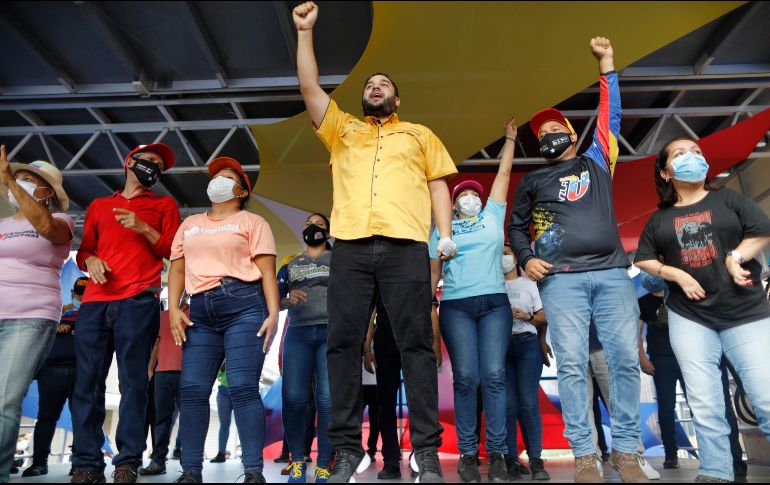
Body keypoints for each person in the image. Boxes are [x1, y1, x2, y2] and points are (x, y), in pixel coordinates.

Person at [293, 2, 458, 482]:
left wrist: (443, 236)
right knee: (342, 344)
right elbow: (308, 87)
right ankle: (345, 450)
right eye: (369, 84)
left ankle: (425, 450)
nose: (374, 86)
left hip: (406, 247)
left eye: (383, 83)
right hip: (351, 248)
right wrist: (306, 33)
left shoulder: (419, 135)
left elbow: (437, 184)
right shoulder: (342, 130)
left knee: (416, 346)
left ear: (397, 99)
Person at [508, 38, 648, 483]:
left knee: (624, 359)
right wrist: (526, 258)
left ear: (572, 135)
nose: (547, 137)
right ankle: (586, 455)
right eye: (541, 134)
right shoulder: (532, 181)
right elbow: (515, 228)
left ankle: (625, 451)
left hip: (610, 272)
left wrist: (606, 66)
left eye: (555, 131)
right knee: (571, 365)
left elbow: (611, 117)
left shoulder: (596, 161)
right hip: (561, 282)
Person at [634, 136, 770, 482]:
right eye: (680, 154)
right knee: (706, 404)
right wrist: (676, 273)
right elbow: (645, 259)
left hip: (745, 312)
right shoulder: (660, 219)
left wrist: (736, 257)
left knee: (766, 397)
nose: (692, 157)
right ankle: (716, 472)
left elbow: (761, 230)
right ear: (666, 173)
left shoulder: (729, 198)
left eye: (696, 151)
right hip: (690, 318)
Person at [69, 143, 179, 483]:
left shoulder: (164, 204)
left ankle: (127, 462)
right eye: (149, 160)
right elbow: (84, 248)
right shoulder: (100, 205)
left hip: (138, 302)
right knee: (86, 384)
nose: (154, 167)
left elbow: (174, 250)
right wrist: (90, 260)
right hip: (94, 304)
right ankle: (86, 463)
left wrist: (143, 227)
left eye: (159, 165)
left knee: (134, 384)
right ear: (129, 162)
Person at [168, 156, 279, 484]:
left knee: (243, 387)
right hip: (199, 310)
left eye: (228, 176)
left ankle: (253, 472)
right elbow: (177, 267)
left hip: (244, 304)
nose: (218, 180)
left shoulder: (253, 222)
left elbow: (267, 272)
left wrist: (273, 313)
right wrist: (174, 307)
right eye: (216, 175)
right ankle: (190, 471)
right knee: (191, 389)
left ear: (242, 191)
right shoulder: (190, 224)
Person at [428, 118, 518, 483]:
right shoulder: (441, 228)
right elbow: (434, 274)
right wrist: (426, 306)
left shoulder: (492, 216)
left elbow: (505, 174)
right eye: (463, 195)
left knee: (494, 376)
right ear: (452, 203)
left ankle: (497, 454)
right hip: (456, 306)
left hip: (495, 303)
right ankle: (467, 454)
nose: (470, 198)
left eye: (474, 194)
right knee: (465, 378)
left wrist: (510, 138)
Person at [0, 149, 74, 484]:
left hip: (31, 317)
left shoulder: (60, 222)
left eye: (30, 182)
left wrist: (9, 184)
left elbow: (43, 225)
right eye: (20, 179)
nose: (22, 185)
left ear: (47, 193)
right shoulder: (2, 225)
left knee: (6, 398)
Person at [280, 213, 334, 483]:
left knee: (326, 399)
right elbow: (273, 299)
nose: (313, 227)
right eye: (308, 224)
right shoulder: (290, 263)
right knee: (293, 397)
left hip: (330, 333)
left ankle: (324, 464)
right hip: (298, 334)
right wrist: (286, 300)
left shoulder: (338, 260)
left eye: (320, 225)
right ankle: (297, 461)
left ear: (328, 232)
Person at [22, 277, 87, 478]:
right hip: (51, 370)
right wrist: (55, 328)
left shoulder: (95, 314)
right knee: (46, 418)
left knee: (82, 418)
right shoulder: (55, 311)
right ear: (72, 293)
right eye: (78, 292)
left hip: (83, 371)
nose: (81, 296)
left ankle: (78, 464)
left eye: (84, 293)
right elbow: (37, 331)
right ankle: (39, 463)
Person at [501, 247, 550, 481]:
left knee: (528, 403)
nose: (504, 257)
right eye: (499, 253)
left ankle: (536, 459)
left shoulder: (529, 284)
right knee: (508, 406)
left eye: (507, 252)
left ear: (515, 257)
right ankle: (510, 459)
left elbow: (543, 318)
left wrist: (527, 316)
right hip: (501, 347)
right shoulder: (492, 286)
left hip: (527, 344)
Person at [139, 306, 184, 476]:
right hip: (162, 372)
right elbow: (157, 343)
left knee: (188, 419)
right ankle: (158, 461)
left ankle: (190, 466)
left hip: (186, 372)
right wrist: (150, 368)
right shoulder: (161, 316)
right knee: (161, 419)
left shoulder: (196, 312)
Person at [211, 364, 233, 464]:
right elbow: (216, 374)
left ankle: (246, 455)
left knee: (242, 424)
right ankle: (221, 453)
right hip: (223, 391)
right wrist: (222, 366)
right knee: (224, 423)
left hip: (240, 390)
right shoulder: (223, 355)